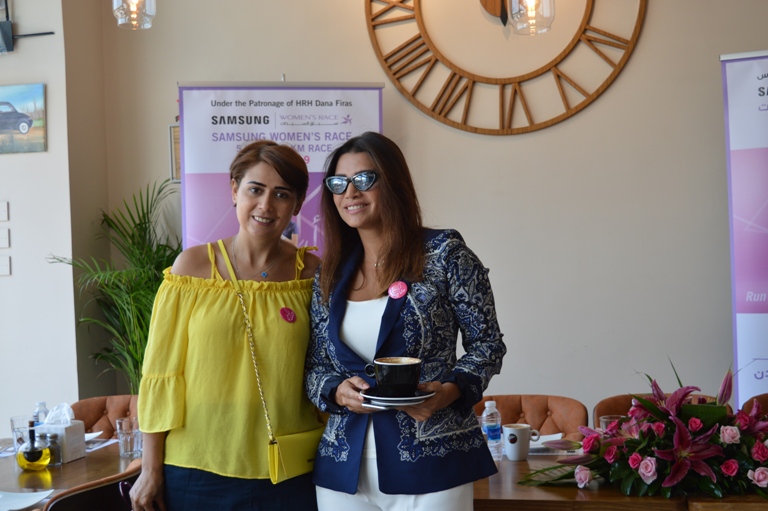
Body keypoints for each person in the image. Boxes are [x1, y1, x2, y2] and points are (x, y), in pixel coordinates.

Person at [305, 131, 506, 511]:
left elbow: (487, 345)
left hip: (434, 462)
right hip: (343, 470)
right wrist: (335, 390)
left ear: (393, 182)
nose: (350, 192)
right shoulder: (328, 275)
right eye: (338, 183)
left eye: (364, 179)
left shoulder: (446, 255)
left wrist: (448, 391)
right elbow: (315, 365)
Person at [130, 140, 322, 511]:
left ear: (297, 204)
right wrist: (150, 468)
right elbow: (161, 372)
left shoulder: (312, 275)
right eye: (255, 189)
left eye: (282, 194)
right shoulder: (191, 268)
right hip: (197, 468)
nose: (266, 205)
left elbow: (324, 370)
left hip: (289, 469)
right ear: (234, 190)